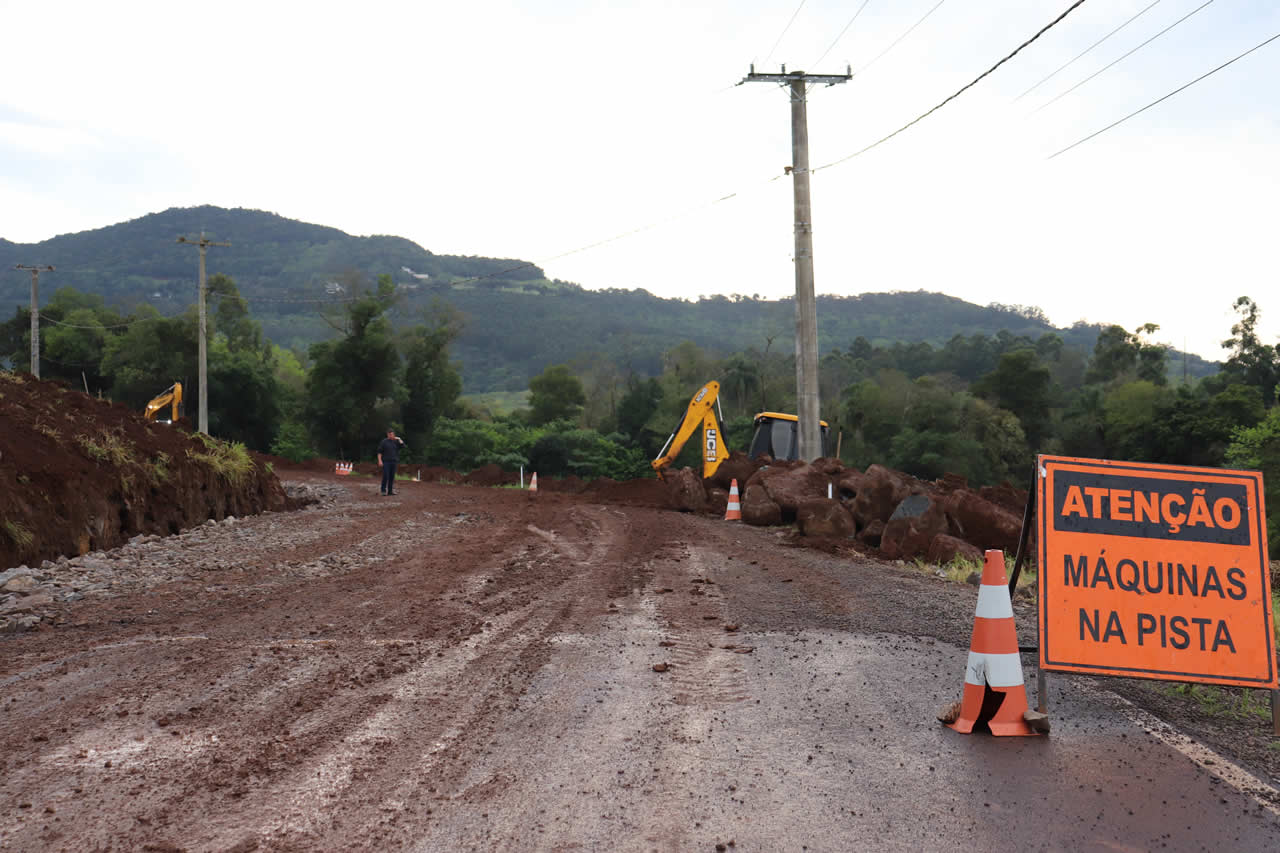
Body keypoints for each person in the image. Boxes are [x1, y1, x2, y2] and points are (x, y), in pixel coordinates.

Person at [377, 428, 405, 496]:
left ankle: (390, 491)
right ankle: (383, 490)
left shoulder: (396, 441)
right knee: (386, 476)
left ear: (394, 434)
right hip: (386, 462)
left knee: (392, 477)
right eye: (389, 434)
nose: (390, 436)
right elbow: (379, 452)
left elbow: (403, 446)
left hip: (394, 462)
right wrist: (380, 461)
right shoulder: (384, 442)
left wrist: (399, 438)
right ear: (387, 435)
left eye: (392, 434)